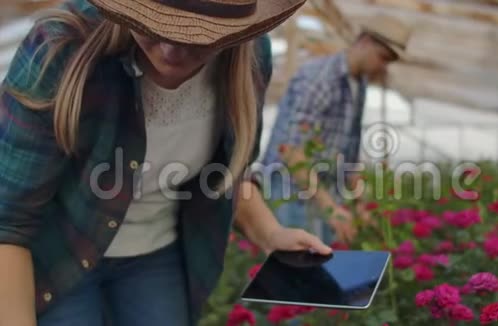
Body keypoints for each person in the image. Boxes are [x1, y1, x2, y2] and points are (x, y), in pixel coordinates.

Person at [0, 0, 333, 325]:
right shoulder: (63, 46)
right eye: (153, 25)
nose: (171, 50)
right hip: (57, 253)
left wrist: (271, 233)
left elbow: (229, 174)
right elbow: (7, 221)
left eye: (200, 36)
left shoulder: (250, 60)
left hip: (156, 255)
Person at [258, 20, 411, 244]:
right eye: (383, 57)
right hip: (292, 189)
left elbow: (348, 146)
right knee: (296, 264)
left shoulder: (357, 83)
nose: (384, 67)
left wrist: (359, 202)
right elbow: (291, 151)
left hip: (323, 188)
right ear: (365, 42)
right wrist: (330, 207)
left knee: (319, 263)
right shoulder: (319, 79)